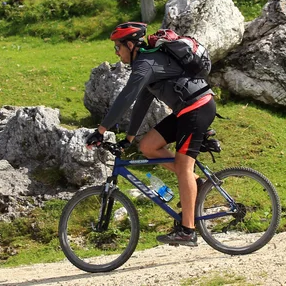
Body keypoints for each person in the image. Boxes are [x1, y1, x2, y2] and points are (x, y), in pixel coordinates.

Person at [86, 21, 216, 247]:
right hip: (186, 110)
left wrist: (101, 130)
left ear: (130, 44)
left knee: (183, 166)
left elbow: (126, 97)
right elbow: (141, 104)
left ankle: (188, 231)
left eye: (118, 47)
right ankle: (197, 183)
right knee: (147, 146)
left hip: (197, 108)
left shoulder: (145, 64)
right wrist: (129, 138)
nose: (117, 52)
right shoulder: (146, 63)